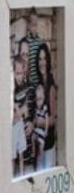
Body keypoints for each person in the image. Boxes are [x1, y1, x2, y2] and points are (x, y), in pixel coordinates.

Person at [36, 41, 57, 170]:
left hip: (48, 143)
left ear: (48, 60)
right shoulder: (38, 83)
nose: (42, 62)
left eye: (44, 59)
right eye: (39, 59)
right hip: (39, 144)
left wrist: (40, 122)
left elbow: (53, 120)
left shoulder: (51, 85)